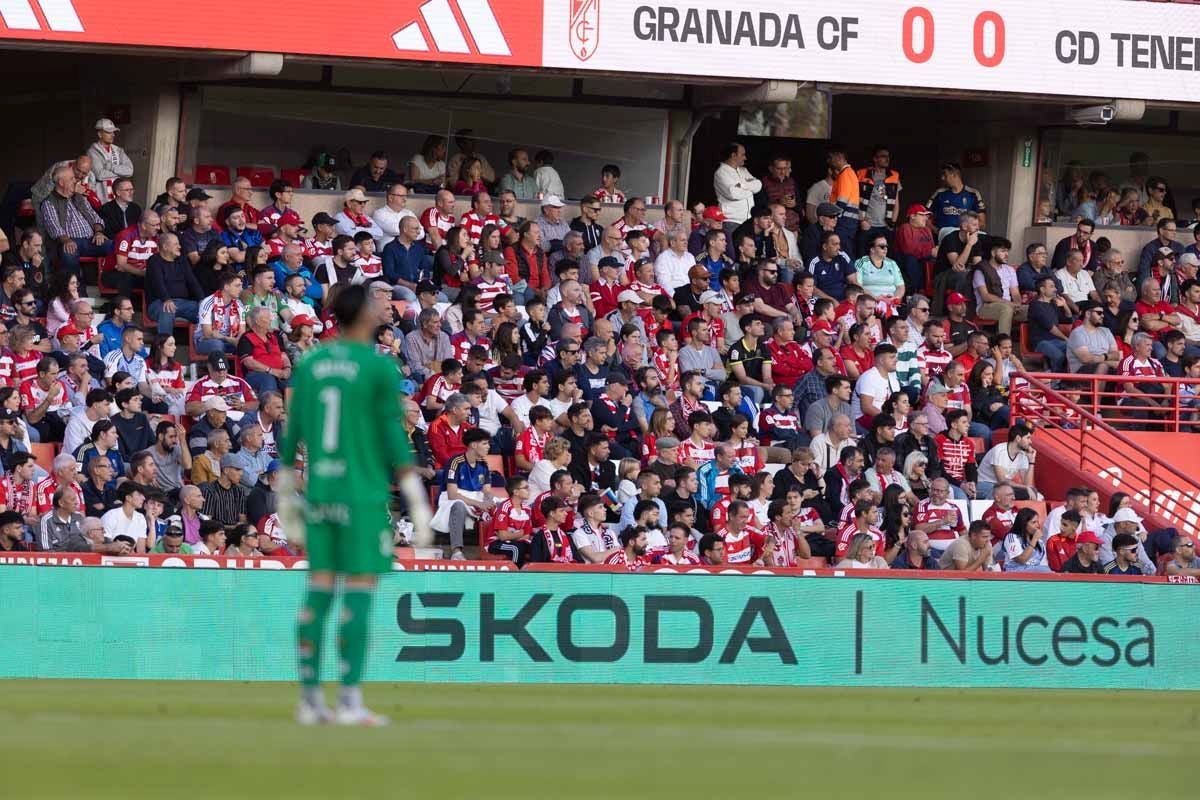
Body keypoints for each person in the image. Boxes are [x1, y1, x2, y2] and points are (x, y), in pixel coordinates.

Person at [281, 283, 432, 726]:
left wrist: (287, 489)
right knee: (360, 594)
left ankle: (310, 699)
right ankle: (349, 701)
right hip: (362, 493)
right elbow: (392, 434)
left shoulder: (312, 363)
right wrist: (416, 497)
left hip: (321, 493)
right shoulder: (377, 367)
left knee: (319, 591)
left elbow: (294, 432)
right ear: (364, 315)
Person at [713, 143, 761, 228]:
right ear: (733, 155)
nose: (745, 158)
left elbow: (758, 185)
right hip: (731, 221)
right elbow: (733, 194)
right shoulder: (721, 172)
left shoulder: (744, 170)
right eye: (742, 155)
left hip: (748, 220)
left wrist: (742, 185)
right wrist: (751, 190)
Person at [1002, 508, 1051, 573]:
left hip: (1035, 574)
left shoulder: (1040, 542)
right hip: (1015, 572)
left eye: (1037, 522)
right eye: (1033, 522)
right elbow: (1021, 559)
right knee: (1045, 571)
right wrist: (1034, 539)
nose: (1038, 525)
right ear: (1024, 523)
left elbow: (1043, 563)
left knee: (1047, 570)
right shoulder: (1012, 537)